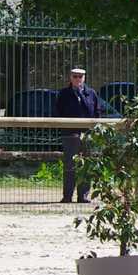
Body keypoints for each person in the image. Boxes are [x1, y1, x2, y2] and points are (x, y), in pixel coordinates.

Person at [53, 67, 103, 202]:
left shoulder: (91, 93)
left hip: (88, 134)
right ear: (70, 77)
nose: (77, 79)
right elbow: (58, 112)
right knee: (70, 165)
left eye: (80, 77)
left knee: (86, 165)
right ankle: (67, 196)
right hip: (70, 134)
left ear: (84, 78)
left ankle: (83, 196)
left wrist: (94, 131)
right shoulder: (63, 94)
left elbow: (98, 111)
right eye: (75, 76)